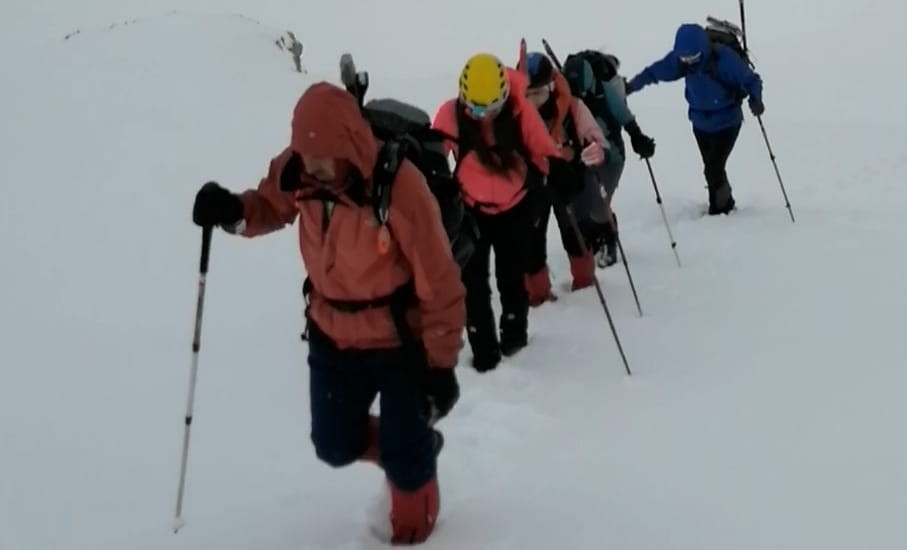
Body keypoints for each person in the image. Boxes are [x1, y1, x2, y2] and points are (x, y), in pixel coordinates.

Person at [192, 81, 464, 547]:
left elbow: (439, 281)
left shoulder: (398, 186)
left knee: (411, 521)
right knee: (334, 444)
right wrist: (233, 211)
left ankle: (412, 469)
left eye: (324, 159)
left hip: (400, 340)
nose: (314, 169)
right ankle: (411, 446)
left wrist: (440, 364)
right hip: (332, 332)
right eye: (307, 157)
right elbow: (269, 207)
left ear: (350, 144)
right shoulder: (299, 168)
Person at [432, 53, 559, 373]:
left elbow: (544, 152)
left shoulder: (520, 112)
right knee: (472, 284)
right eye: (475, 109)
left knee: (512, 278)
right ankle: (484, 353)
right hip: (470, 211)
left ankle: (515, 340)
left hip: (514, 208)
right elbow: (433, 158)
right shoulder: (450, 115)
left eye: (492, 107)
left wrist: (554, 177)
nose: (484, 116)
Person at [625, 22, 763, 215]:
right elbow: (654, 73)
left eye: (693, 56)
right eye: (684, 57)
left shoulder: (723, 58)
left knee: (713, 167)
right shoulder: (681, 62)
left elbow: (751, 80)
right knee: (710, 167)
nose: (689, 61)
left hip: (728, 121)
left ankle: (721, 209)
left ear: (703, 49)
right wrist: (631, 86)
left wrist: (756, 99)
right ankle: (722, 203)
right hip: (699, 122)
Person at [519, 51, 608, 299]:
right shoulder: (514, 114)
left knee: (576, 233)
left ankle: (585, 283)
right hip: (532, 185)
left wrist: (594, 150)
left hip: (569, 180)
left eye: (538, 93)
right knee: (531, 242)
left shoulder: (572, 107)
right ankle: (537, 293)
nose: (533, 100)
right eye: (527, 94)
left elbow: (594, 138)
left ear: (550, 86)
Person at [561, 49, 656, 266]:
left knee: (599, 203)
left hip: (611, 156)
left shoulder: (604, 91)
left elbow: (623, 115)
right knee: (580, 205)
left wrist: (638, 137)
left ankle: (608, 241)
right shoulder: (566, 95)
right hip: (581, 157)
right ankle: (592, 241)